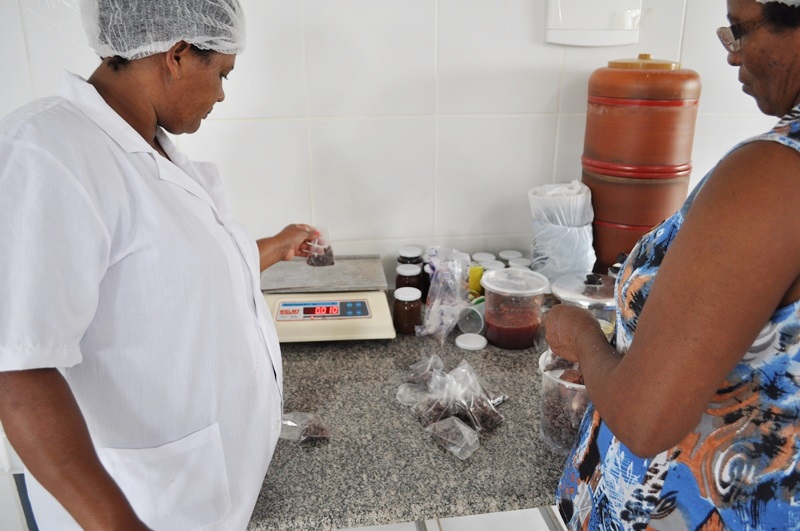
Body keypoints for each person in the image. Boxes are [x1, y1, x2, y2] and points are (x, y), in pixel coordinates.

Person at [0, 0, 318, 528]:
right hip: (140, 506)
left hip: (209, 489)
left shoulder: (149, 147)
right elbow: (18, 371)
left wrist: (275, 246)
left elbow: (171, 277)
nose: (221, 93)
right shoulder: (45, 152)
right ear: (177, 54)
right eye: (221, 73)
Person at [543, 0, 800, 528]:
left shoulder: (776, 175)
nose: (732, 56)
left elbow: (646, 420)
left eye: (740, 30)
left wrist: (580, 335)